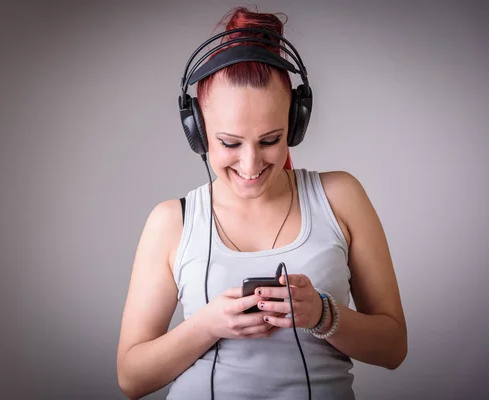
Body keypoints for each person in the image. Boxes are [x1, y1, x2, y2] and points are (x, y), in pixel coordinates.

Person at [117, 6, 407, 400]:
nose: (251, 165)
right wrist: (208, 325)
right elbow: (132, 379)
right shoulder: (172, 221)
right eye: (230, 143)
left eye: (271, 140)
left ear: (296, 124)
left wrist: (323, 315)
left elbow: (393, 349)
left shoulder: (341, 197)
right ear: (198, 132)